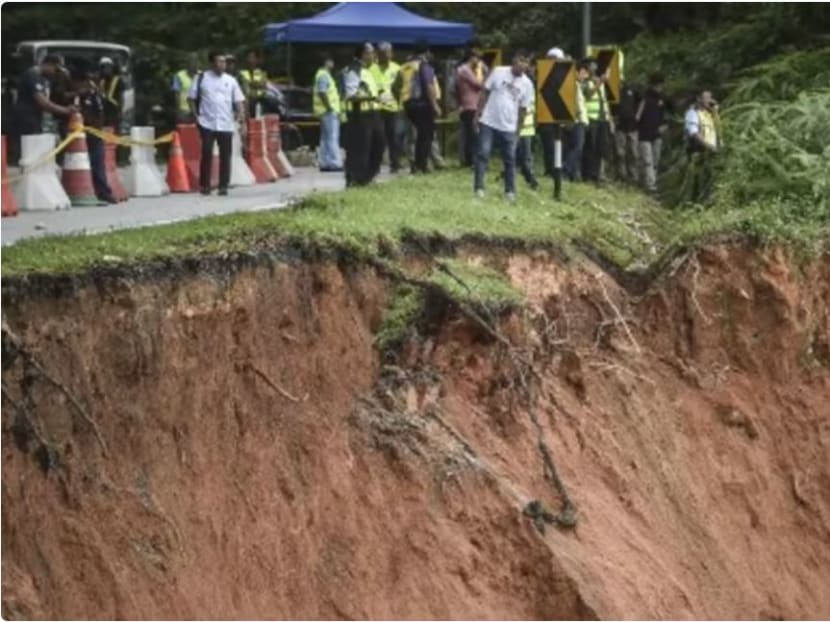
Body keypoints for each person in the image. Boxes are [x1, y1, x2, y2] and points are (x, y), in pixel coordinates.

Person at [473, 49, 533, 202]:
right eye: (521, 61)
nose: (523, 65)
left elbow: (523, 109)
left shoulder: (527, 84)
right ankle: (479, 187)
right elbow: (485, 92)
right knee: (483, 154)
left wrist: (518, 131)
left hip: (509, 126)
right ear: (514, 60)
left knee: (509, 159)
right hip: (489, 121)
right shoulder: (499, 71)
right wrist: (477, 114)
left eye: (526, 62)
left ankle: (510, 191)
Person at [188, 50, 245, 196]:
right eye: (219, 61)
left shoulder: (231, 80)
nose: (223, 65)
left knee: (226, 155)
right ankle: (205, 185)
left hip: (226, 123)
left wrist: (241, 118)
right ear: (212, 63)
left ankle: (223, 185)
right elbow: (191, 98)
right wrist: (196, 116)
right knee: (207, 152)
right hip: (207, 122)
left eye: (224, 62)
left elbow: (238, 100)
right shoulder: (201, 78)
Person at [71, 65, 116, 204]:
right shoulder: (82, 94)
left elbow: (100, 112)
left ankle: (103, 192)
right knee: (85, 164)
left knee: (97, 163)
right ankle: (96, 192)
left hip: (93, 131)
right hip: (83, 132)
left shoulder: (93, 93)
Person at [399, 42, 440, 175]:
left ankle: (417, 164)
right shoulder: (424, 65)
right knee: (426, 135)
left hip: (408, 104)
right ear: (426, 52)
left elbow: (395, 86)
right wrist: (434, 105)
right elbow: (428, 85)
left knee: (419, 135)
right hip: (422, 104)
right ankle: (421, 166)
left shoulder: (405, 66)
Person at [343, 42, 379, 187]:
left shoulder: (367, 70)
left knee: (377, 145)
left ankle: (367, 176)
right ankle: (356, 178)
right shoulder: (354, 70)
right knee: (360, 148)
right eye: (371, 53)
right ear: (363, 54)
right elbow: (351, 95)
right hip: (360, 114)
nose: (374, 55)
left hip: (372, 112)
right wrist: (372, 98)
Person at [13, 54, 74, 140]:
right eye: (56, 70)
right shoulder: (32, 75)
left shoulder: (45, 79)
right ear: (48, 64)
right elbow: (42, 101)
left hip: (37, 118)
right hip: (26, 118)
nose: (55, 73)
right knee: (29, 146)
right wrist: (65, 110)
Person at [370, 42, 402, 174]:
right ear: (378, 54)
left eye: (388, 52)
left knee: (393, 137)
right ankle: (375, 166)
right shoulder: (372, 68)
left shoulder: (397, 68)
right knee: (378, 138)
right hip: (377, 107)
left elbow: (401, 87)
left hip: (393, 108)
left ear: (392, 53)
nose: (385, 55)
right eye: (382, 53)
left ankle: (395, 164)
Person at [684, 88, 720, 201]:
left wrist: (715, 112)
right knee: (698, 179)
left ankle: (705, 201)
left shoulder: (709, 114)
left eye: (710, 97)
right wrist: (708, 146)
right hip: (698, 152)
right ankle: (695, 202)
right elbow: (694, 133)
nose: (709, 100)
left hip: (710, 151)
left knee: (709, 178)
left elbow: (718, 129)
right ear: (699, 99)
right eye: (706, 98)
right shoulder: (692, 113)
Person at [455, 47, 488, 167]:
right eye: (477, 58)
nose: (479, 61)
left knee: (473, 134)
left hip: (475, 105)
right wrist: (482, 70)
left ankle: (471, 158)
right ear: (471, 57)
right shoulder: (464, 70)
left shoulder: (471, 70)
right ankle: (470, 160)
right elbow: (479, 84)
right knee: (472, 134)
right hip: (469, 105)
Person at [636, 72, 668, 193]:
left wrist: (664, 125)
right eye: (657, 85)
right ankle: (651, 184)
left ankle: (649, 181)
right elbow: (638, 116)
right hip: (644, 133)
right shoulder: (644, 98)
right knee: (647, 159)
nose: (659, 88)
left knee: (655, 159)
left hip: (656, 133)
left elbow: (665, 115)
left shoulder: (662, 99)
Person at [313, 54, 343, 172]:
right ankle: (335, 163)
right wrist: (329, 107)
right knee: (332, 137)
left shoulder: (322, 74)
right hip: (328, 111)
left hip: (324, 111)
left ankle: (325, 162)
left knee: (325, 138)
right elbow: (322, 92)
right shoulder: (324, 75)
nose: (333, 63)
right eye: (331, 61)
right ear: (327, 62)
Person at [581, 59, 610, 184]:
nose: (595, 67)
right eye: (592, 65)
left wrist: (609, 118)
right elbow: (587, 95)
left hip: (602, 118)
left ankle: (597, 175)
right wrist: (599, 83)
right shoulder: (585, 82)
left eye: (595, 65)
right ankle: (587, 174)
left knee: (600, 147)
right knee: (590, 147)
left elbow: (604, 101)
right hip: (591, 119)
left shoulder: (599, 81)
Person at [539, 46, 566, 176]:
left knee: (559, 144)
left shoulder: (565, 75)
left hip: (560, 115)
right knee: (548, 145)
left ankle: (557, 169)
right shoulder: (541, 74)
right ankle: (549, 170)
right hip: (546, 115)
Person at [564, 60, 590, 182]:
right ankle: (566, 169)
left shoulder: (578, 85)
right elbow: (575, 104)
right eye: (583, 73)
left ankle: (573, 174)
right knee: (577, 148)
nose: (586, 76)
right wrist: (579, 118)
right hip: (577, 121)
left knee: (575, 148)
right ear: (576, 72)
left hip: (579, 121)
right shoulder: (573, 85)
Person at [612, 80, 640, 184]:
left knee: (634, 152)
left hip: (632, 126)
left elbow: (641, 102)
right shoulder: (614, 92)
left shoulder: (632, 90)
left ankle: (634, 176)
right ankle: (621, 175)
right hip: (620, 127)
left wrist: (638, 116)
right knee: (620, 153)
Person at [239, 50, 268, 118]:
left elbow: (263, 86)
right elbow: (244, 88)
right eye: (249, 57)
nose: (250, 60)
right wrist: (256, 85)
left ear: (256, 60)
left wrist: (252, 84)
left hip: (260, 101)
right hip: (247, 102)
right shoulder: (242, 72)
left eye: (252, 57)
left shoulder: (261, 72)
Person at [98, 57, 123, 130]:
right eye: (102, 67)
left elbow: (121, 96)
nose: (104, 69)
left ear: (111, 67)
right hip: (104, 111)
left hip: (114, 110)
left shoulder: (118, 80)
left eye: (106, 67)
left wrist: (120, 111)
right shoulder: (101, 80)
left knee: (113, 131)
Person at [172, 58, 199, 124]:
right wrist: (178, 110)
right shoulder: (179, 75)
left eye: (195, 64)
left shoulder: (201, 75)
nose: (193, 66)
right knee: (185, 131)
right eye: (191, 64)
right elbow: (176, 94)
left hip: (199, 110)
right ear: (187, 66)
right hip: (184, 110)